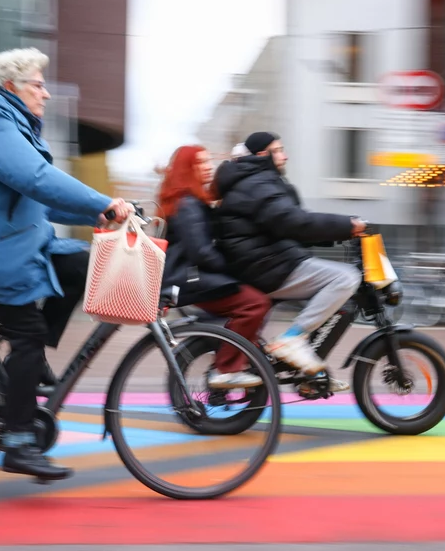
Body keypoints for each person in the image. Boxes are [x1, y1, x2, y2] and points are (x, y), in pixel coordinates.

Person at [0, 47, 132, 481]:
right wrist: (102, 201)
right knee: (26, 335)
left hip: (16, 240)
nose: (45, 93)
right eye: (38, 84)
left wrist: (98, 214)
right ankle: (19, 442)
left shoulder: (12, 124)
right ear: (11, 86)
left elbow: (36, 197)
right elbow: (37, 180)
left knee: (82, 266)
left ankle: (32, 363)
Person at [213, 131, 371, 378]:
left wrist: (338, 235)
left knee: (328, 279)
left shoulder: (256, 181)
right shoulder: (259, 183)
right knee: (345, 277)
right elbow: (294, 222)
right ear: (263, 155)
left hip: (266, 261)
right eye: (279, 150)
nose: (285, 156)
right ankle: (292, 339)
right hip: (265, 266)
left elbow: (289, 227)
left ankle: (306, 372)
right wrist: (347, 225)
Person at [158, 145, 272, 389]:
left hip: (189, 278)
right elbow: (201, 251)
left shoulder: (191, 201)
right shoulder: (187, 204)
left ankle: (235, 351)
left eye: (209, 161)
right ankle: (226, 369)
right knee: (254, 303)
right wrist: (232, 269)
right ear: (187, 169)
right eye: (201, 163)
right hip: (189, 279)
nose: (209, 166)